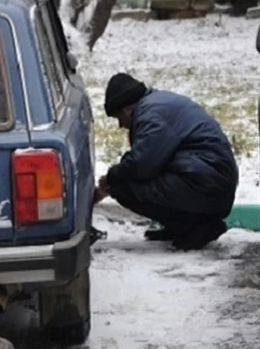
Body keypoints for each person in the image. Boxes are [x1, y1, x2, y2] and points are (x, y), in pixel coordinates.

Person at [95, 73, 239, 251]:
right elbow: (150, 156)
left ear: (127, 109)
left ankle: (199, 227)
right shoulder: (156, 105)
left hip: (206, 183)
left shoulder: (151, 115)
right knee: (130, 181)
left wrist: (112, 177)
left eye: (119, 118)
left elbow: (143, 164)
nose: (121, 125)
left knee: (124, 188)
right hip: (208, 178)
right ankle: (181, 228)